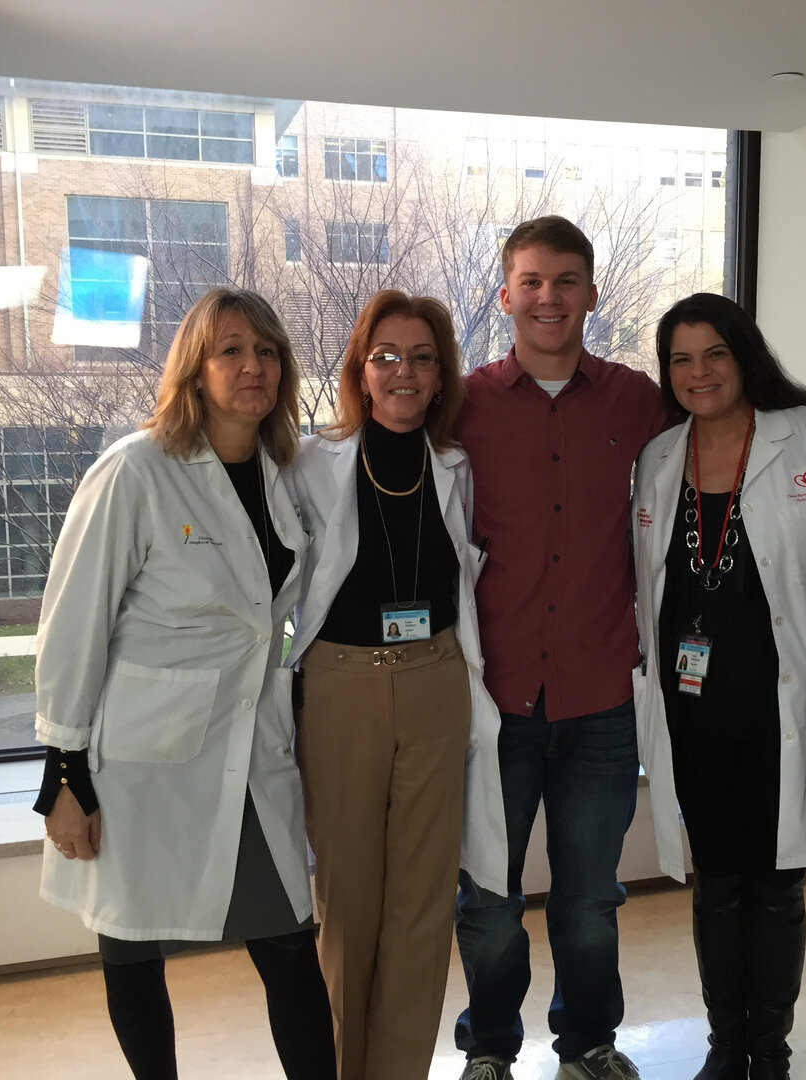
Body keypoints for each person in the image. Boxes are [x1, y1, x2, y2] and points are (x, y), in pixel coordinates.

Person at [451, 217, 806, 1080]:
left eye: (567, 281)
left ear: (592, 295)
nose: (548, 297)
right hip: (497, 700)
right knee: (489, 896)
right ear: (505, 295)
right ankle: (490, 1049)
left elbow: (747, 424)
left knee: (591, 899)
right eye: (531, 281)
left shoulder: (640, 403)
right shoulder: (464, 406)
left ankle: (589, 1045)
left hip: (603, 695)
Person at [34, 287, 335, 1080]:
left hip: (251, 746)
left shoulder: (281, 474)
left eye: (267, 351)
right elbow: (72, 627)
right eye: (230, 350)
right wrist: (62, 775)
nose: (253, 366)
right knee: (132, 944)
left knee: (288, 942)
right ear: (195, 370)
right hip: (143, 761)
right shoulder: (135, 470)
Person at [631, 293, 806, 1080]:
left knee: (776, 883)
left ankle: (769, 1052)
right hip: (692, 714)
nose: (699, 372)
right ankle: (724, 1044)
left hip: (783, 709)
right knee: (715, 883)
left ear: (745, 356)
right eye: (681, 358)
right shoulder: (657, 459)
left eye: (715, 354)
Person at [285, 290, 507, 1079]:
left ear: (442, 375)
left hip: (437, 683)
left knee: (421, 906)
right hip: (341, 689)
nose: (403, 372)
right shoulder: (312, 462)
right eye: (385, 357)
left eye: (421, 358)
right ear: (360, 370)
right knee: (347, 904)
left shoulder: (457, 465)